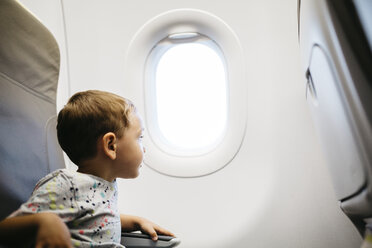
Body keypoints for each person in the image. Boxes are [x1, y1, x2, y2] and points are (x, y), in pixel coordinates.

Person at [0, 90, 175, 247]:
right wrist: (46, 221)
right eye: (140, 137)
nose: (143, 147)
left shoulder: (102, 185)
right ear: (111, 145)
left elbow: (94, 218)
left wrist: (136, 221)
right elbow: (5, 230)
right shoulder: (68, 184)